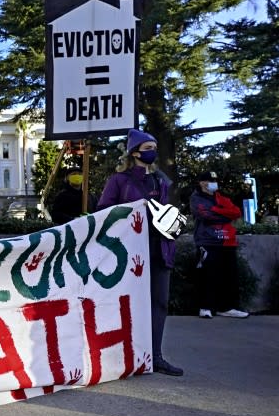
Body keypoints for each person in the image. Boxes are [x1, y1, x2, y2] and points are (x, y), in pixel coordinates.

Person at [97, 129, 183, 377]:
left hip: (160, 248)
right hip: (132, 251)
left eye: (154, 147)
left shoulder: (159, 180)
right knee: (127, 304)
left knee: (159, 303)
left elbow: (166, 210)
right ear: (134, 152)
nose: (153, 152)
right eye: (147, 148)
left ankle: (155, 357)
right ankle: (122, 357)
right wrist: (134, 213)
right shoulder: (119, 181)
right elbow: (104, 211)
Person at [190, 170, 249, 319]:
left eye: (214, 180)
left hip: (227, 241)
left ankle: (227, 307)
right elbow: (204, 215)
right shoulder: (196, 198)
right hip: (207, 241)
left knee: (229, 275)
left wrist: (217, 211)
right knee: (207, 274)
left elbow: (236, 212)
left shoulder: (220, 197)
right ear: (202, 182)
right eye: (210, 180)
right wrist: (224, 214)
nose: (214, 183)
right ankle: (205, 307)